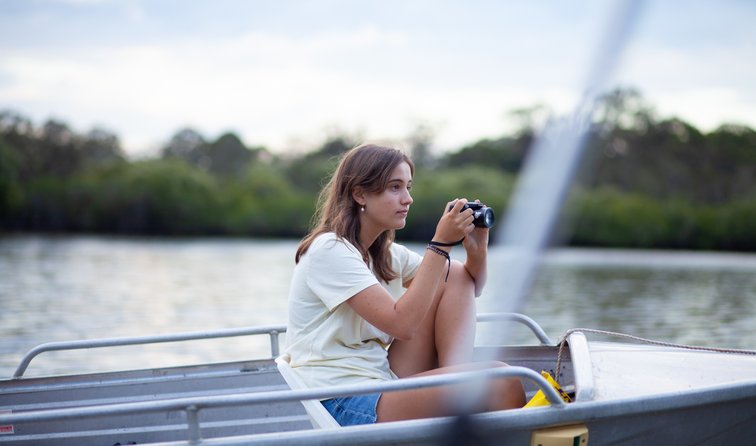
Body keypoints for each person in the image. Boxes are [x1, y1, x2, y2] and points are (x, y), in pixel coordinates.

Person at [284, 143, 525, 426]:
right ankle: (462, 396)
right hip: (342, 399)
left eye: (408, 187)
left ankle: (458, 385)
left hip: (378, 378)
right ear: (359, 193)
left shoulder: (383, 253)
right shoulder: (329, 249)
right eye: (395, 187)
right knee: (503, 381)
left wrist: (477, 249)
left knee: (453, 276)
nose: (408, 198)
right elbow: (402, 325)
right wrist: (442, 244)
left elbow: (467, 283)